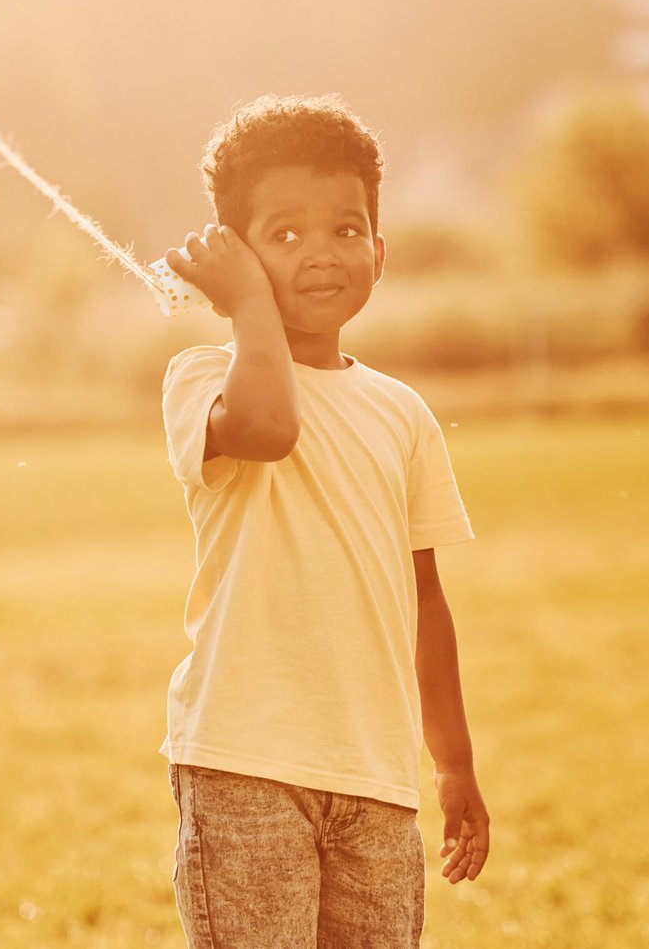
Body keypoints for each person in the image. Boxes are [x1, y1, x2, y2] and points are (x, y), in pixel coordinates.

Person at [158, 94, 490, 948]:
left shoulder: (402, 412)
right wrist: (243, 311)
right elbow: (271, 430)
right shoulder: (204, 380)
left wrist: (453, 762)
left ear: (379, 250)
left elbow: (425, 602)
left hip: (377, 776)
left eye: (346, 231)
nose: (322, 255)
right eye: (286, 234)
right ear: (236, 255)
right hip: (245, 764)